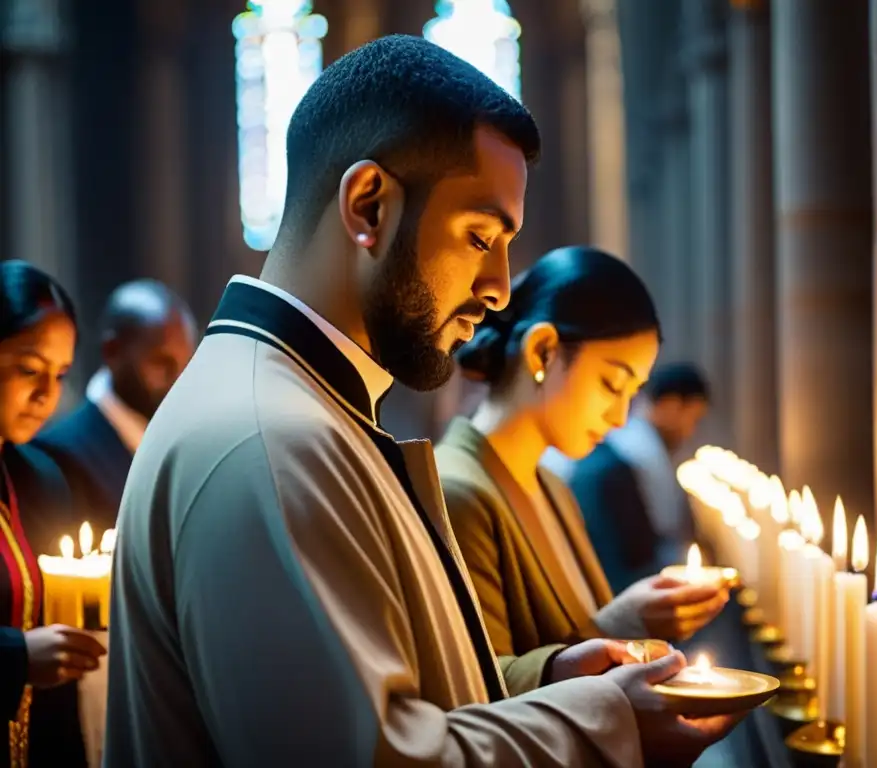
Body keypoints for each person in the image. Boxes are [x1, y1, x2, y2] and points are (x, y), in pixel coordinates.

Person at [104, 36, 743, 767]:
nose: (501, 287)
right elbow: (368, 756)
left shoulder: (310, 410)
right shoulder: (269, 439)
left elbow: (416, 696)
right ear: (369, 206)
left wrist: (553, 681)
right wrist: (601, 721)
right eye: (480, 236)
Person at [435, 247, 727, 660]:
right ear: (543, 352)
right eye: (611, 384)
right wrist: (618, 624)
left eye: (631, 394)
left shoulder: (551, 485)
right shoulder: (457, 494)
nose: (620, 417)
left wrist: (632, 619)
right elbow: (480, 689)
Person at [0, 260, 107, 767]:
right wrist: (16, 658)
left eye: (60, 374)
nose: (47, 394)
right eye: (28, 368)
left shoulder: (41, 479)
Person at [35, 280, 196, 531]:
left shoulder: (183, 443)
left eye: (186, 364)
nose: (178, 380)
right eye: (161, 363)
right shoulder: (58, 455)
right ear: (112, 351)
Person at [566, 362, 710, 593]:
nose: (690, 431)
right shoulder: (634, 460)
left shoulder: (626, 447)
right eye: (692, 419)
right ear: (670, 405)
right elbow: (656, 538)